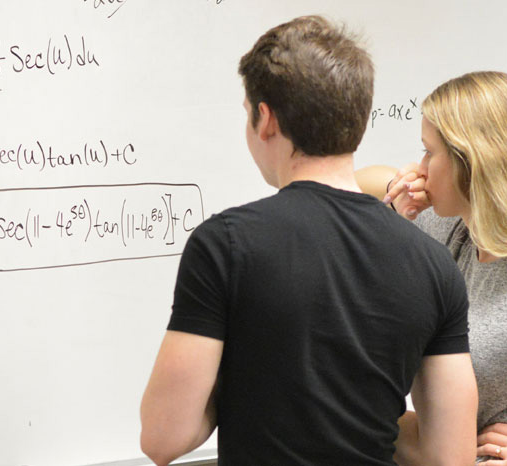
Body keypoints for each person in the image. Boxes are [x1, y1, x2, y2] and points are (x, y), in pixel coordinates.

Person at [139, 15, 477, 466]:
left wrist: (244, 381)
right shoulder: (436, 265)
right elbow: (449, 457)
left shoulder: (225, 245)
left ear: (266, 119)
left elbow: (163, 438)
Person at [356, 71, 507, 465]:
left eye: (429, 153)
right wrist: (397, 205)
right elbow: (353, 186)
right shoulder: (454, 229)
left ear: (471, 162)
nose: (420, 166)